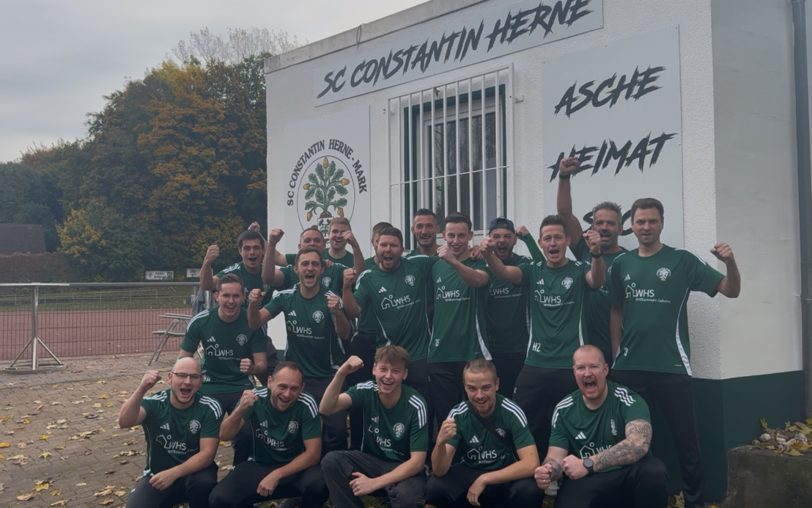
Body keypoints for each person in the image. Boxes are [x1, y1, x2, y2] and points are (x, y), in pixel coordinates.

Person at [608, 197, 740, 508]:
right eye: (640, 221)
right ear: (632, 226)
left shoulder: (682, 261)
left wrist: (730, 262)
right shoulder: (621, 264)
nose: (646, 227)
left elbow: (731, 290)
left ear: (662, 223)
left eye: (652, 221)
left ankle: (694, 502)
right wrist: (615, 354)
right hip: (629, 368)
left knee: (686, 443)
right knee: (626, 442)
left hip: (672, 368)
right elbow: (615, 310)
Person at [482, 215, 604, 457]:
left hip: (570, 364)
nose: (553, 243)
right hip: (535, 363)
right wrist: (488, 255)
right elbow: (505, 272)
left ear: (567, 240)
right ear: (540, 242)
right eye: (547, 238)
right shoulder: (532, 270)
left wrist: (597, 254)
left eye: (558, 237)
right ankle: (527, 471)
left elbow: (597, 280)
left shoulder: (580, 269)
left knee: (570, 422)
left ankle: (565, 473)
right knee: (524, 419)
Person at [248, 246, 353, 453]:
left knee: (337, 431)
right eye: (305, 264)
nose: (310, 268)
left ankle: (334, 472)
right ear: (296, 269)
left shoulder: (331, 299)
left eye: (315, 264)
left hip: (328, 377)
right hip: (298, 378)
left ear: (321, 269)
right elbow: (255, 322)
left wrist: (338, 313)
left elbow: (346, 334)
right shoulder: (285, 297)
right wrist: (252, 305)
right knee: (295, 429)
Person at [535, 345, 667, 507]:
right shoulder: (563, 409)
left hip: (625, 474)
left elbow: (639, 444)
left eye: (594, 367)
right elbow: (555, 456)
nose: (587, 373)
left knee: (653, 471)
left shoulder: (628, 400)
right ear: (574, 372)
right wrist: (548, 470)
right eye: (581, 368)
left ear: (605, 370)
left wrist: (588, 463)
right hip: (588, 480)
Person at [319, 346, 429, 507]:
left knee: (408, 497)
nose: (388, 376)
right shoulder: (366, 390)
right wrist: (341, 373)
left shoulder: (416, 404)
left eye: (396, 371)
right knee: (331, 461)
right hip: (371, 461)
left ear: (404, 374)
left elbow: (417, 463)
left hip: (403, 467)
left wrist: (374, 483)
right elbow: (326, 408)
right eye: (383, 369)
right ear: (374, 369)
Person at [208, 362, 328, 508]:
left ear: (302, 388)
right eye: (282, 386)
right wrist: (240, 409)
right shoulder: (256, 397)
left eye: (294, 388)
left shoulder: (307, 403)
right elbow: (224, 435)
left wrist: (277, 474)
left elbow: (313, 454)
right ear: (270, 382)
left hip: (295, 467)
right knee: (219, 498)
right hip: (259, 464)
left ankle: (299, 501)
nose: (287, 394)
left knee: (319, 484)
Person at [426, 359, 542, 507]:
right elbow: (439, 470)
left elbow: (531, 463)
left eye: (486, 387)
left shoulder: (512, 412)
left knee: (530, 490)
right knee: (435, 487)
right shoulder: (457, 414)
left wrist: (485, 479)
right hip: (471, 472)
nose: (479, 395)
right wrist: (440, 443)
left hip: (504, 475)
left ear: (497, 385)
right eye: (472, 388)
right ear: (465, 388)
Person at [180, 273, 267, 465]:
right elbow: (183, 358)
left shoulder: (252, 322)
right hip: (209, 384)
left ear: (243, 297)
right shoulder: (201, 321)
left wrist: (252, 368)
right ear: (217, 296)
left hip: (241, 385)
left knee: (246, 431)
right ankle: (197, 469)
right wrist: (190, 377)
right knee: (194, 426)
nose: (230, 301)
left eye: (236, 296)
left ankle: (240, 470)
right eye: (226, 295)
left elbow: (262, 364)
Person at [342, 226, 436, 401]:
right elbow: (353, 311)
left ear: (401, 249)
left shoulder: (419, 264)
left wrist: (474, 250)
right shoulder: (368, 277)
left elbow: (448, 256)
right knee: (390, 407)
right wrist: (346, 288)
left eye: (393, 245)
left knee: (423, 406)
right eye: (383, 245)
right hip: (389, 357)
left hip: (420, 356)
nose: (388, 249)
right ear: (376, 248)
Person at [119, 358, 222, 508]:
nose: (187, 381)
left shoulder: (209, 407)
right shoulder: (155, 403)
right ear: (169, 378)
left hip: (195, 474)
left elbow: (207, 454)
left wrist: (174, 473)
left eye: (194, 377)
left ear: (200, 381)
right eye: (181, 375)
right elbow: (124, 422)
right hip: (158, 475)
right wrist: (142, 388)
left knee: (204, 484)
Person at [557, 156, 627, 363]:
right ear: (592, 227)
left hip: (620, 343)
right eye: (599, 223)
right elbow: (564, 213)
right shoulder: (583, 250)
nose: (604, 227)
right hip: (583, 342)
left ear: (621, 228)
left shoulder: (630, 260)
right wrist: (563, 176)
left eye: (611, 223)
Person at [428, 212, 492, 424]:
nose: (456, 241)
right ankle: (451, 458)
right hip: (440, 355)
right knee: (446, 419)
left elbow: (478, 281)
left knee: (478, 414)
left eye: (461, 236)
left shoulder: (479, 263)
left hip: (472, 352)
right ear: (443, 236)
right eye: (451, 235)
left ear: (470, 235)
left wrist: (454, 262)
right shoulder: (435, 266)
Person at [199, 223, 279, 383]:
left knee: (275, 377)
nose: (252, 252)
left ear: (263, 251)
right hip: (229, 335)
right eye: (247, 248)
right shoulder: (233, 272)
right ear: (240, 251)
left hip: (257, 335)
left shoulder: (270, 274)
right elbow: (207, 285)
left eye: (256, 248)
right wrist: (207, 263)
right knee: (224, 377)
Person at [481, 217, 533, 397]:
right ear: (489, 239)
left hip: (523, 347)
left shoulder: (525, 263)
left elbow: (546, 265)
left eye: (507, 236)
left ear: (514, 239)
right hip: (493, 349)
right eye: (496, 236)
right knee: (498, 398)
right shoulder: (481, 266)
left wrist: (529, 238)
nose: (501, 241)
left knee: (523, 399)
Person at [262, 226, 366, 295]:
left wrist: (355, 246)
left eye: (317, 240)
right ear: (299, 246)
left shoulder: (335, 269)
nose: (312, 243)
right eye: (307, 241)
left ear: (324, 245)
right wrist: (271, 245)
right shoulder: (290, 270)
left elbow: (360, 279)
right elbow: (268, 278)